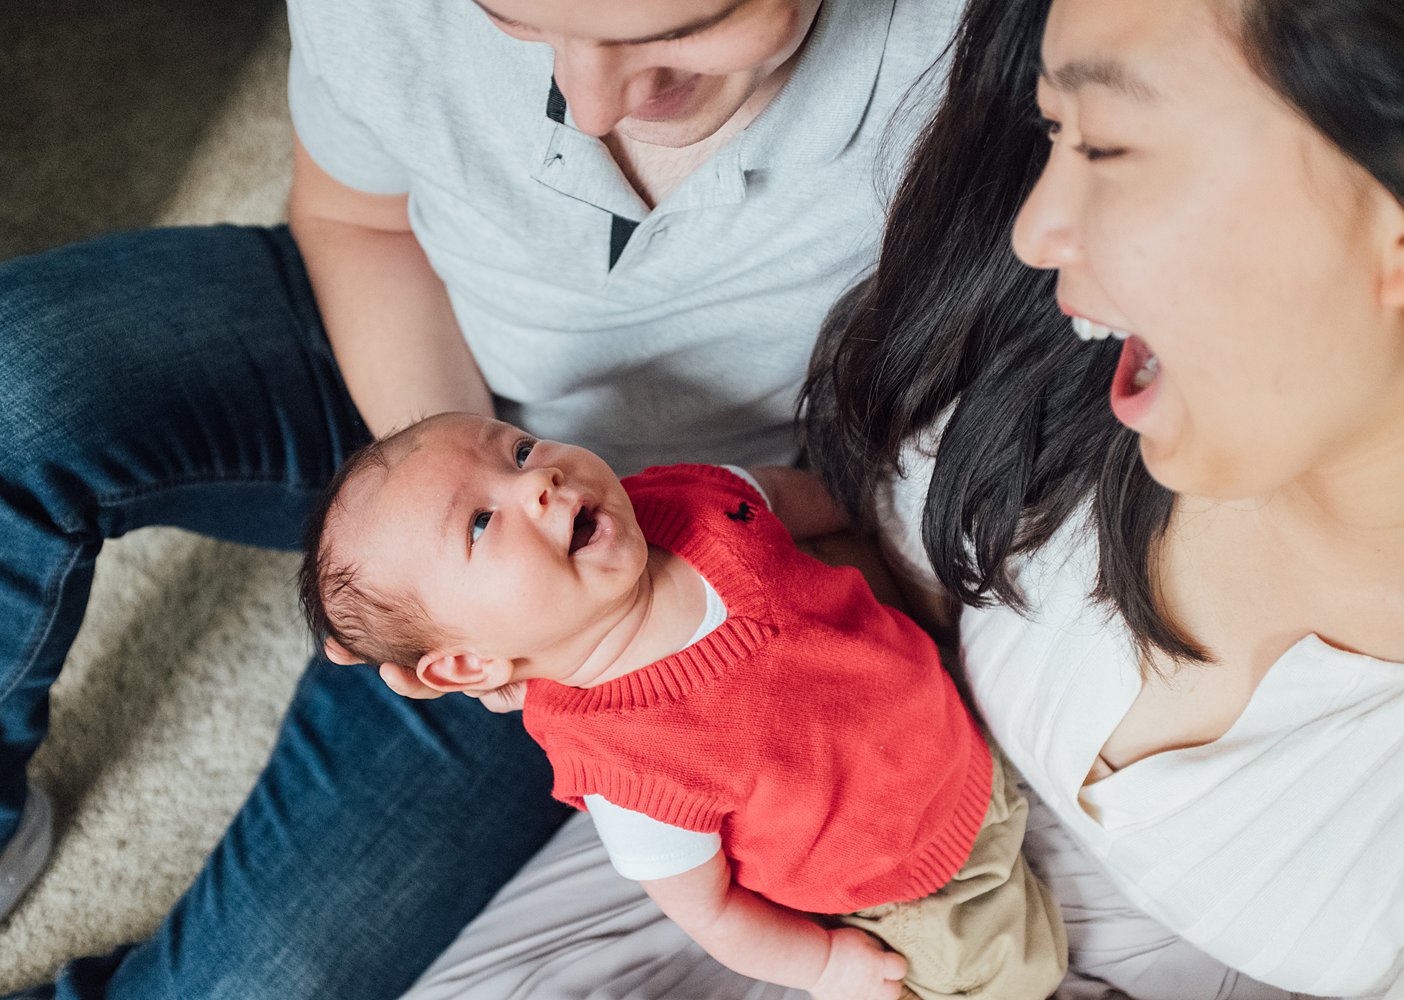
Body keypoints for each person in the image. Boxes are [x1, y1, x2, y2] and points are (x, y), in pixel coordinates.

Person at [0, 0, 965, 996]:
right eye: (519, 21)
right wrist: (431, 511)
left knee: (258, 975)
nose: (586, 107)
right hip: (410, 357)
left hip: (617, 587)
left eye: (682, 29)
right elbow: (357, 218)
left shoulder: (974, 50)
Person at [395, 0, 1404, 997]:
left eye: (1110, 150)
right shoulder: (1042, 355)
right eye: (1053, 129)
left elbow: (779, 507)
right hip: (849, 858)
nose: (1035, 230)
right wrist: (460, 585)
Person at [296, 411, 1067, 1000]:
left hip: (947, 713)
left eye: (521, 448)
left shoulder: (678, 499)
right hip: (903, 879)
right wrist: (825, 963)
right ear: (469, 660)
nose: (539, 481)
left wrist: (865, 515)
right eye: (480, 521)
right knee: (1025, 972)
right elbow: (714, 911)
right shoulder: (628, 769)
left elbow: (786, 499)